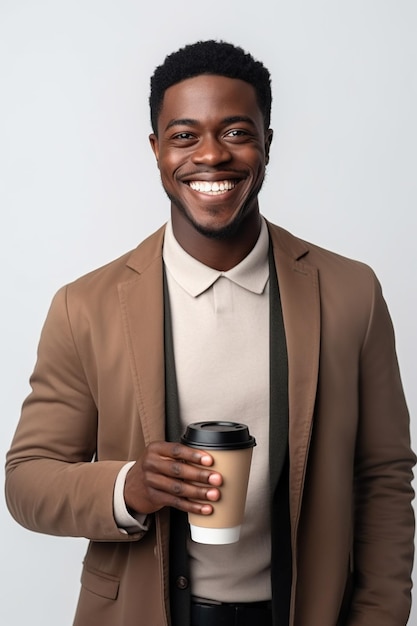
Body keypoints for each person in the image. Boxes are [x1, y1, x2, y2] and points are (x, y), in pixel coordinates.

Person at [5, 40, 415, 626]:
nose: (211, 156)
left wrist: (378, 617)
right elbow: (27, 480)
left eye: (236, 132)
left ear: (268, 143)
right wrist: (129, 487)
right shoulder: (85, 307)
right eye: (184, 135)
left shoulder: (351, 292)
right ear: (156, 150)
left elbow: (384, 477)